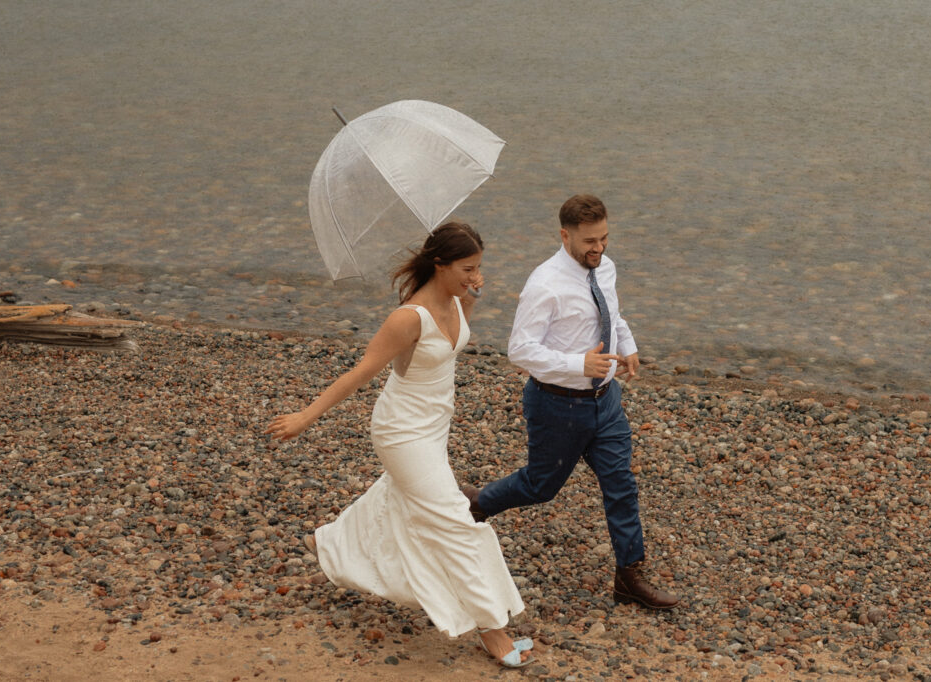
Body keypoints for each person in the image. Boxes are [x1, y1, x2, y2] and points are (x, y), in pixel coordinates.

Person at [265, 222, 533, 667]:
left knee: (401, 499)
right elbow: (362, 371)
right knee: (455, 519)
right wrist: (305, 417)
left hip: (434, 426)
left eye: (479, 267)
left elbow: (458, 329)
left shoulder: (453, 300)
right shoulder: (407, 319)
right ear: (439, 264)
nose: (475, 275)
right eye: (468, 268)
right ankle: (494, 630)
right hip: (402, 432)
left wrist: (472, 293)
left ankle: (329, 544)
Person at [462, 195, 680, 611]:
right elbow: (519, 350)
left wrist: (628, 345)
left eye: (604, 238)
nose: (598, 248)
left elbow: (612, 314)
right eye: (588, 241)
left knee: (621, 486)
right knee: (540, 486)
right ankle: (477, 503)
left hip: (606, 400)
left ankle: (629, 577)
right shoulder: (544, 284)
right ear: (565, 236)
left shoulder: (606, 267)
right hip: (557, 405)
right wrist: (579, 363)